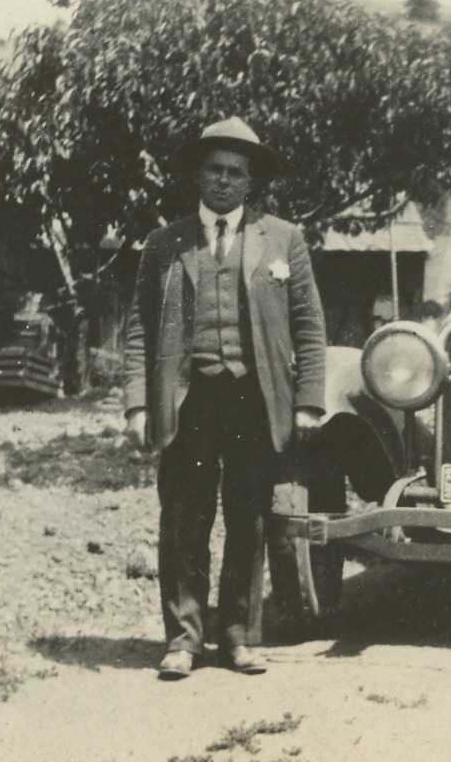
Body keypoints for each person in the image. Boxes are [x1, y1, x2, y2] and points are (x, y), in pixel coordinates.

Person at [122, 117, 327, 679]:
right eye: (214, 169)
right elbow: (139, 326)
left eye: (236, 172)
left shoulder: (284, 239)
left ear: (251, 181)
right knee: (184, 517)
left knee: (249, 518)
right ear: (197, 175)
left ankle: (239, 635)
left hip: (254, 399)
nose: (223, 181)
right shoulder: (166, 243)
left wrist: (309, 399)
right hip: (188, 401)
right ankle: (184, 639)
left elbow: (309, 325)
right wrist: (138, 403)